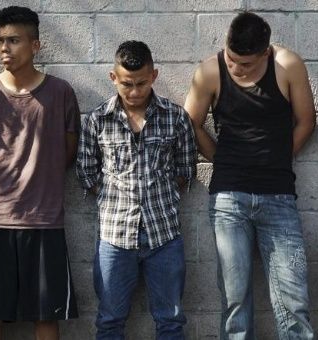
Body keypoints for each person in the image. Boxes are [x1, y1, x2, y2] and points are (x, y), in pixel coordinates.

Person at [184, 11, 315, 339]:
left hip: (279, 196)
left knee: (293, 301)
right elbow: (189, 124)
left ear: (266, 53)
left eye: (246, 64)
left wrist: (278, 159)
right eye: (232, 59)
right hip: (229, 198)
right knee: (234, 299)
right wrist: (222, 158)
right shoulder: (210, 71)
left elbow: (306, 121)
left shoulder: (288, 66)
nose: (236, 68)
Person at [0, 6, 80, 340]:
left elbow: (68, 150)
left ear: (35, 45)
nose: (4, 48)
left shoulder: (61, 93)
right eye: (0, 40)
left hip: (44, 220)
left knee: (46, 315)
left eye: (13, 40)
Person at [76, 40, 196, 340]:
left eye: (141, 83)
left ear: (153, 76)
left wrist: (158, 195)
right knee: (109, 321)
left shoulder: (175, 117)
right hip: (114, 237)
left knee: (170, 320)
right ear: (113, 77)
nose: (134, 91)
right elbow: (87, 174)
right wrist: (116, 198)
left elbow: (185, 169)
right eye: (126, 83)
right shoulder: (97, 121)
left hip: (164, 235)